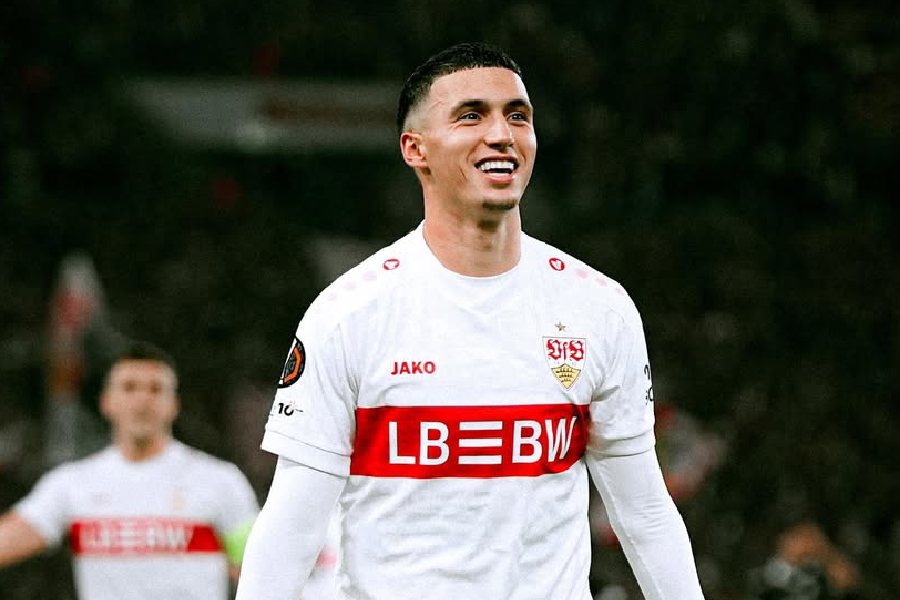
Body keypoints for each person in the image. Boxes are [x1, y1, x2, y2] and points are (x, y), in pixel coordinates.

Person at [236, 42, 705, 599]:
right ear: (415, 148)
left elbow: (644, 513)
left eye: (518, 116)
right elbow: (292, 527)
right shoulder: (348, 315)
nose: (502, 134)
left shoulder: (599, 309)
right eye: (471, 115)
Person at [0, 341, 259, 600]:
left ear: (174, 404)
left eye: (155, 389)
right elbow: (9, 539)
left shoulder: (220, 481)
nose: (142, 399)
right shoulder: (71, 484)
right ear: (106, 402)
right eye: (129, 387)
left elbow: (258, 571)